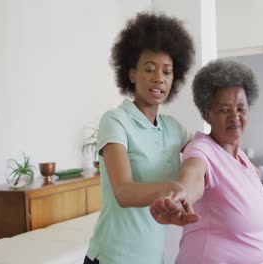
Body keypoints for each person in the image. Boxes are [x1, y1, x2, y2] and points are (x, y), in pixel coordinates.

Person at [85, 12, 196, 264]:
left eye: (167, 72)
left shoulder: (172, 128)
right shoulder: (115, 121)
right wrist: (170, 188)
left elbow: (204, 151)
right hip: (111, 257)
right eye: (150, 69)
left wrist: (241, 161)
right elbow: (123, 192)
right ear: (132, 74)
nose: (159, 78)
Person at [150, 59, 263, 264]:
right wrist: (180, 198)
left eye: (241, 108)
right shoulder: (202, 150)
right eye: (225, 109)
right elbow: (192, 178)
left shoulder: (246, 163)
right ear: (208, 115)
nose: (235, 116)